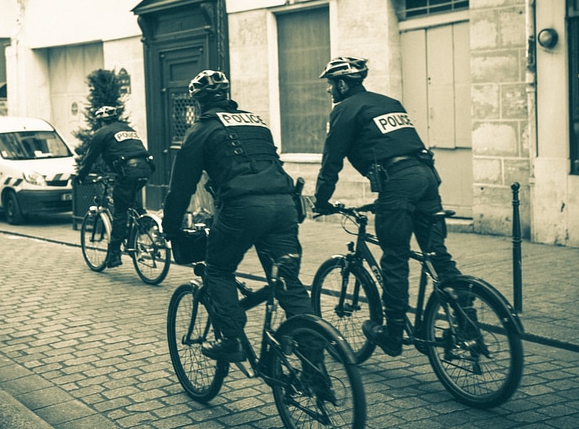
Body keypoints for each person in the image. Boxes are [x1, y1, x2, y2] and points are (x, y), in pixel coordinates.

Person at [312, 56, 461, 357]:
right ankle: (466, 314)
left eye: (330, 84)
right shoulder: (389, 102)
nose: (329, 91)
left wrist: (322, 200)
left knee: (395, 257)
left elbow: (332, 160)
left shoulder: (344, 110)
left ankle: (393, 333)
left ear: (342, 84)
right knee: (437, 255)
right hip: (427, 176)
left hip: (399, 181)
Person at [162, 70, 312, 362]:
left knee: (219, 270)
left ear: (198, 103)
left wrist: (170, 227)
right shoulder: (256, 123)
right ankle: (314, 360)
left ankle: (232, 340)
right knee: (288, 283)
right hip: (284, 206)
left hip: (242, 210)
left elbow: (180, 189)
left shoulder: (201, 130)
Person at [75, 105, 153, 268]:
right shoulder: (127, 129)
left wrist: (81, 177)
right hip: (146, 168)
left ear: (100, 121)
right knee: (130, 199)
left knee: (120, 210)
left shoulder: (101, 133)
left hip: (128, 170)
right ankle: (143, 222)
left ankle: (114, 254)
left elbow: (90, 158)